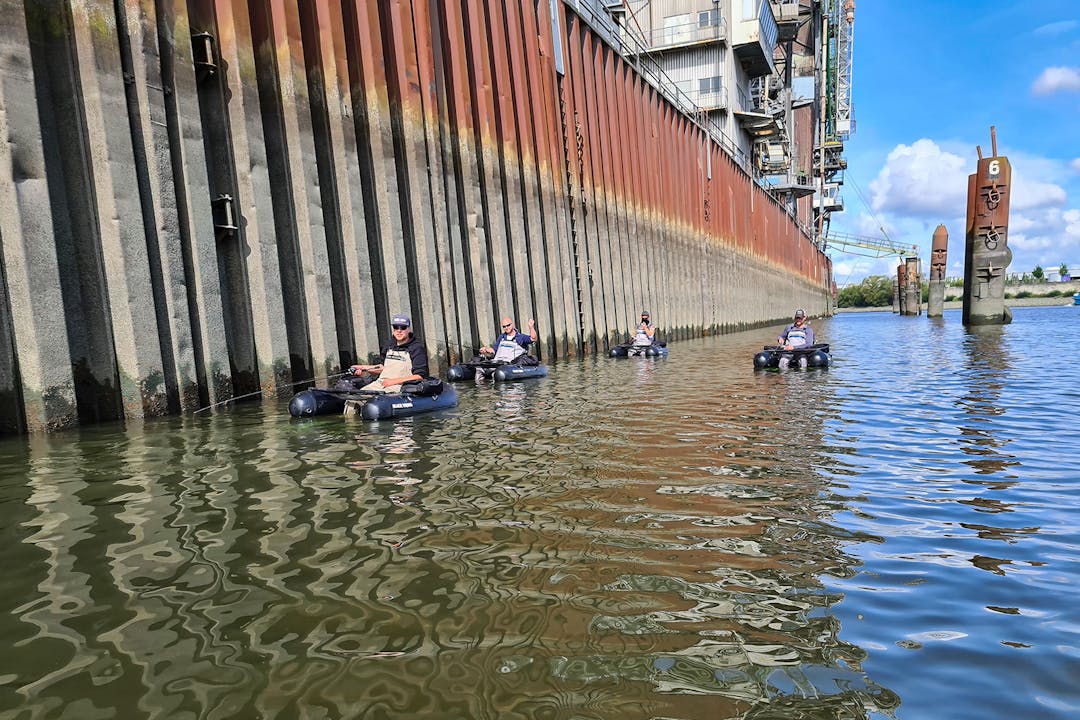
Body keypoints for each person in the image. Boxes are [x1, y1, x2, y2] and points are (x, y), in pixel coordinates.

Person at [347, 314, 429, 392]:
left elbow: (419, 376)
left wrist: (393, 381)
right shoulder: (389, 345)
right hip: (380, 383)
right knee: (353, 399)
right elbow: (383, 367)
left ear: (409, 329)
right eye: (396, 327)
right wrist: (363, 368)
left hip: (401, 387)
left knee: (373, 403)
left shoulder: (417, 348)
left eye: (403, 327)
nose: (399, 331)